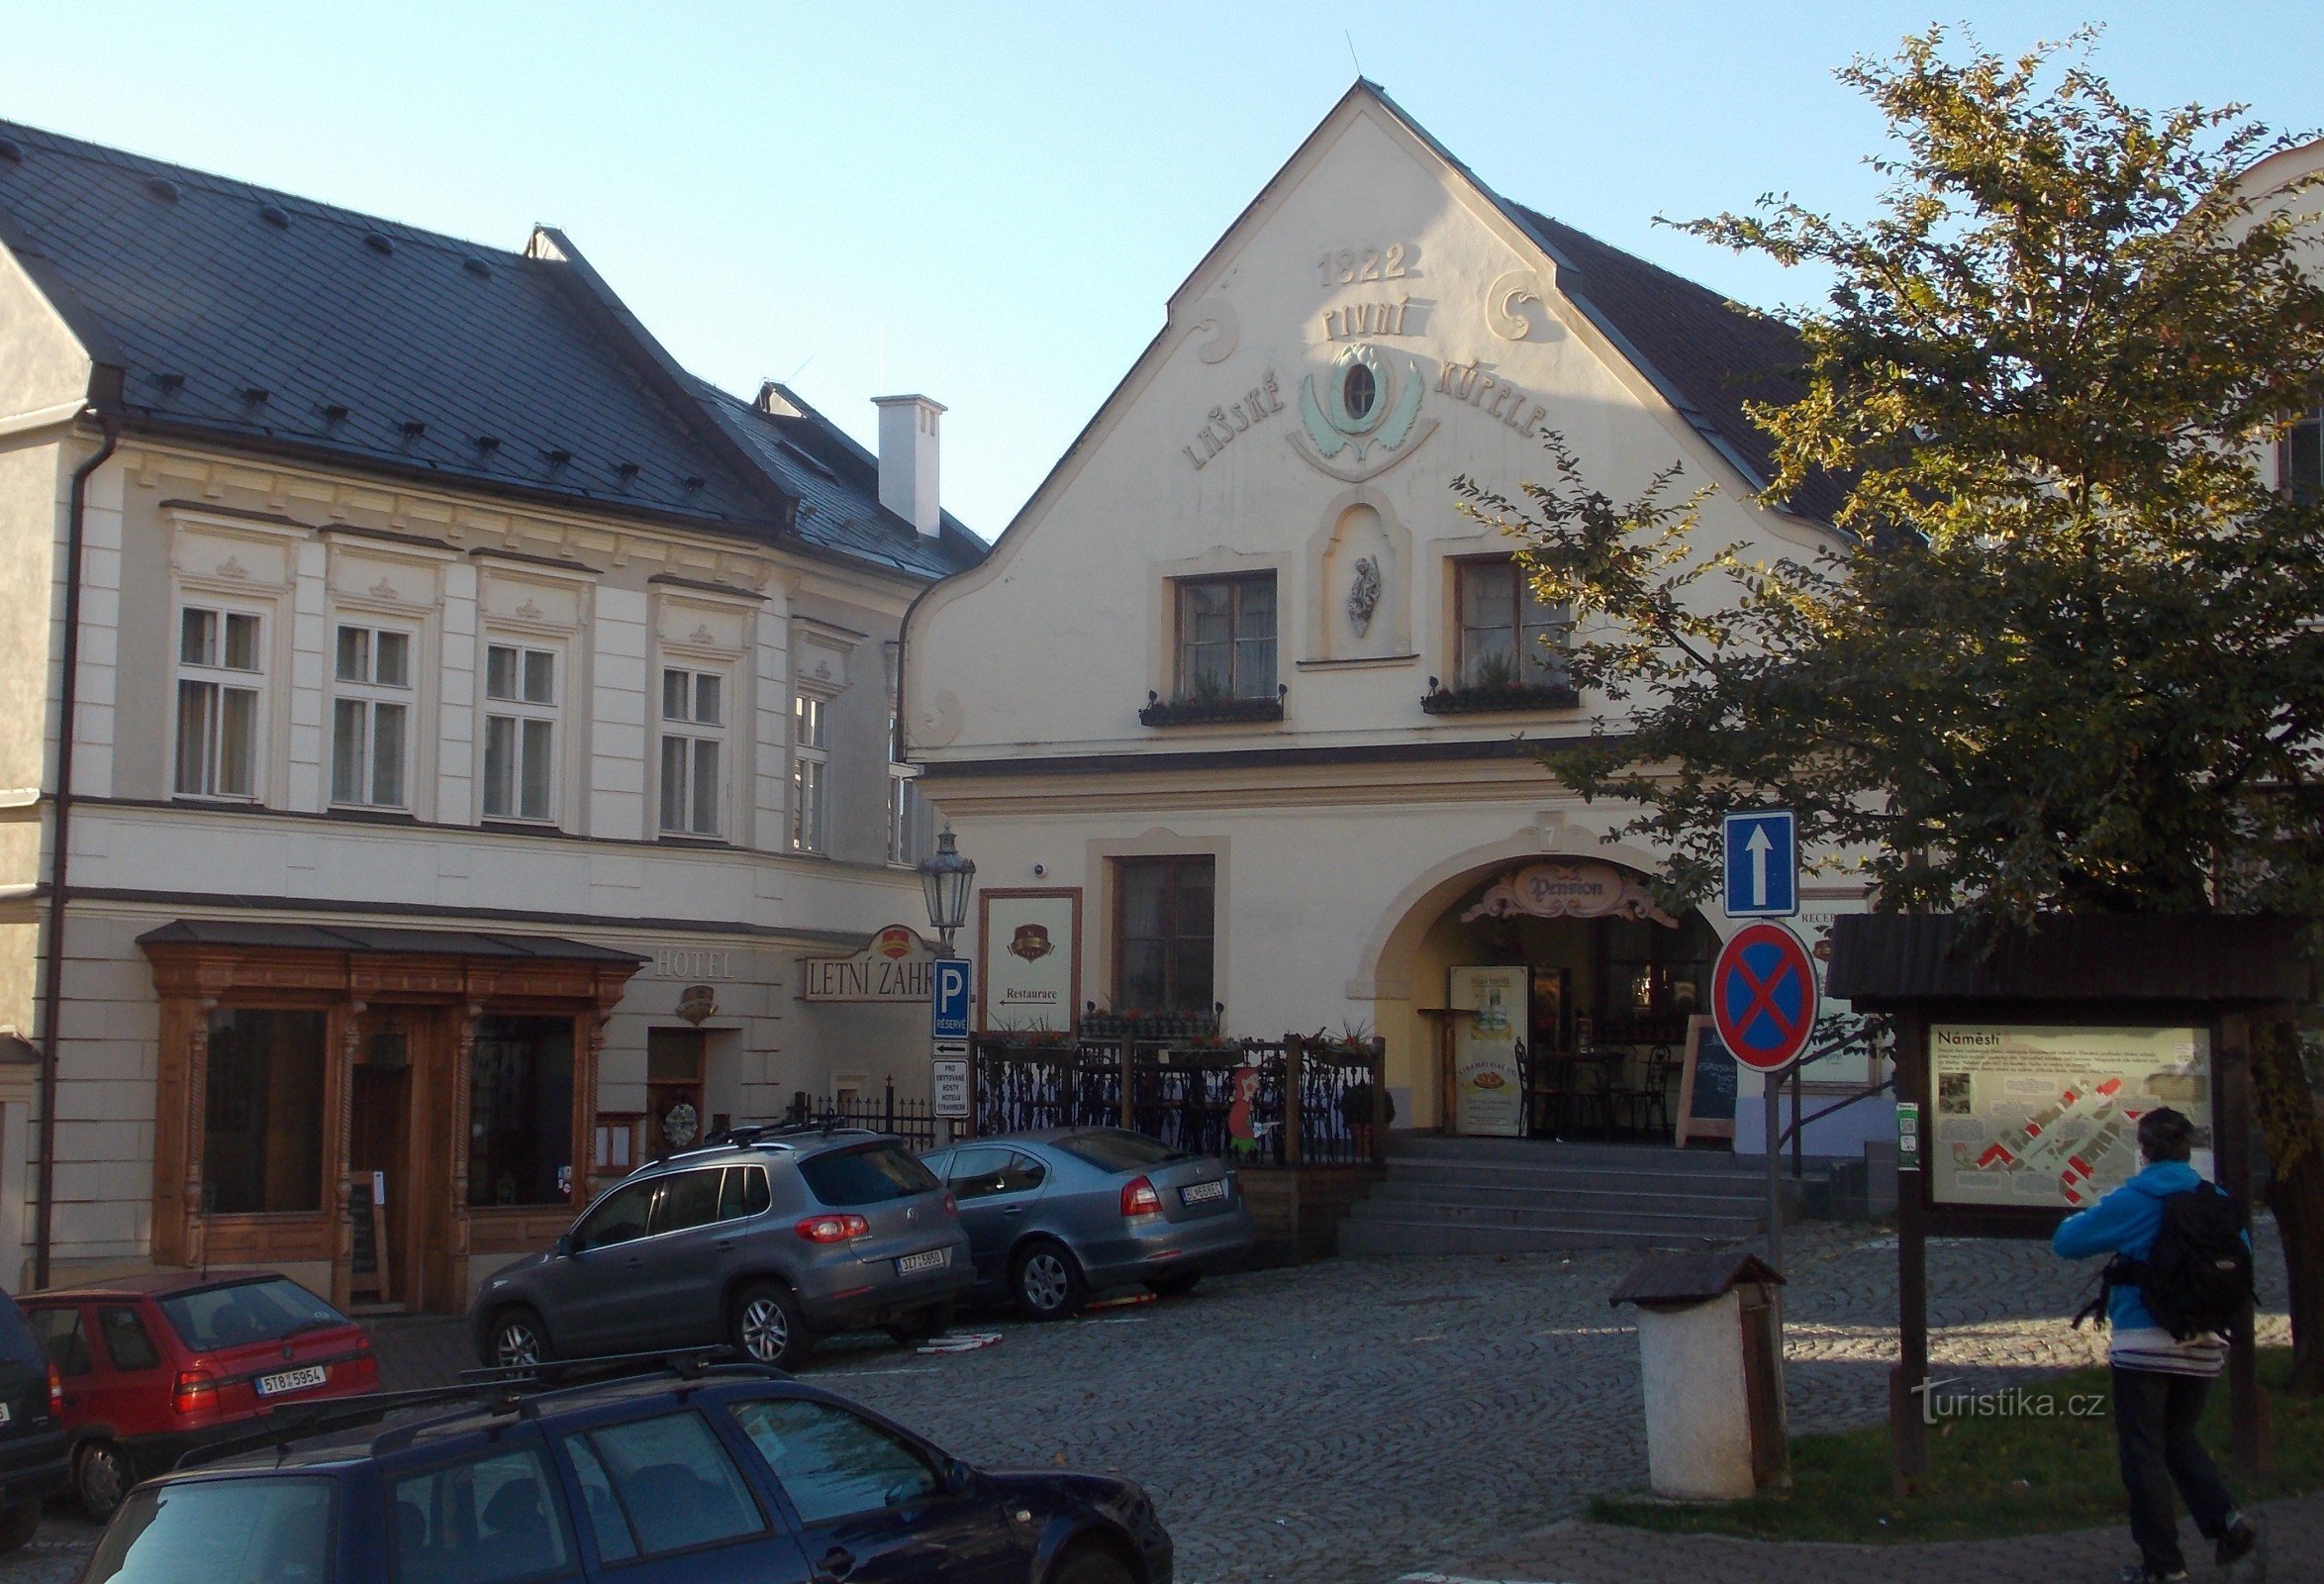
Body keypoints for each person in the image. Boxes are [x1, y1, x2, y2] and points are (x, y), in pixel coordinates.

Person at [2053, 1106, 2259, 1584]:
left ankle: (2163, 1565)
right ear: (2188, 1151)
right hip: (2206, 1340)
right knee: (2178, 1437)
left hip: (2143, 1343)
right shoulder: (2216, 1198)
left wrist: (2099, 1210)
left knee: (2142, 1450)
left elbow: (2067, 1242)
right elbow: (2242, 1256)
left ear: (2143, 1151)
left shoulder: (2135, 1197)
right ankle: (2227, 1522)